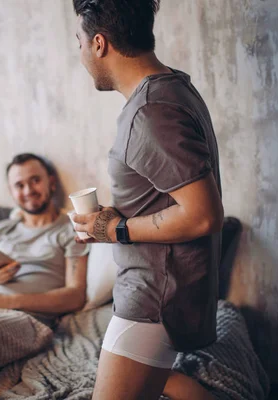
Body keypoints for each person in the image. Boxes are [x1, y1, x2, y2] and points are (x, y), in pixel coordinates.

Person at [71, 1, 223, 399]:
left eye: (79, 42)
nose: (80, 54)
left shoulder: (152, 110)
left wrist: (116, 228)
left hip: (155, 296)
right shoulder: (172, 88)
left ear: (99, 43)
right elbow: (163, 197)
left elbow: (203, 215)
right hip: (155, 289)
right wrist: (108, 221)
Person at [0, 153, 90, 328]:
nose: (28, 191)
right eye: (19, 185)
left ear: (52, 182)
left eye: (35, 180)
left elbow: (75, 297)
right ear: (11, 192)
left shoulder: (71, 230)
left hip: (22, 321)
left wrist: (8, 302)